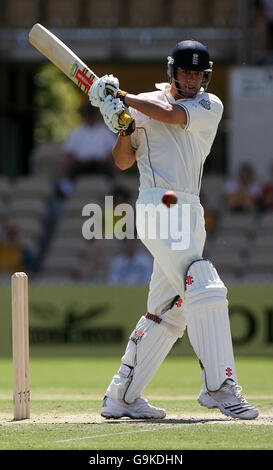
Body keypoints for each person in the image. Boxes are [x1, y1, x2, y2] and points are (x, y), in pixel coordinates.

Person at [88, 40, 259, 420]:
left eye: (198, 74)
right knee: (204, 282)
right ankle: (219, 386)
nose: (193, 79)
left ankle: (123, 397)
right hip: (158, 204)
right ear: (172, 71)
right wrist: (122, 127)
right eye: (186, 72)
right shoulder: (144, 102)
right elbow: (122, 161)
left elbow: (170, 114)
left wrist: (124, 100)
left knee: (170, 309)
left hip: (190, 209)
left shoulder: (209, 105)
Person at [56, 103, 116, 198]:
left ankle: (112, 188)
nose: (90, 117)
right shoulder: (76, 132)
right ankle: (67, 188)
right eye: (88, 114)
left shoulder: (105, 131)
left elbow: (114, 150)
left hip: (100, 164)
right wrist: (78, 159)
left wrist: (105, 159)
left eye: (92, 114)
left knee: (113, 164)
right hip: (81, 165)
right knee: (65, 161)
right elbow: (67, 152)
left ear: (97, 115)